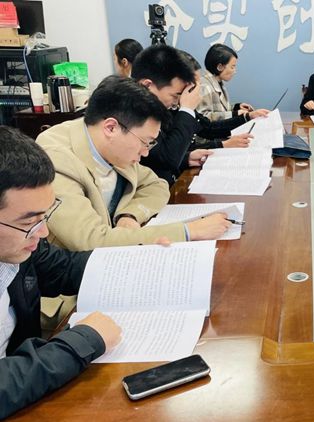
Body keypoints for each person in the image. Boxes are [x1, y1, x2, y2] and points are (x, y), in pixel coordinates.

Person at [0, 127, 121, 418]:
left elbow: (64, 268)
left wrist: (144, 263)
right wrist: (82, 341)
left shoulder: (16, 246)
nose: (43, 232)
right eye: (28, 222)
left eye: (44, 217)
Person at [36, 75, 230, 251]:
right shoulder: (55, 161)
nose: (146, 152)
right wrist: (188, 231)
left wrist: (129, 215)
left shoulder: (111, 146)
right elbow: (92, 241)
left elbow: (156, 184)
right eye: (145, 142)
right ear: (111, 128)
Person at [131, 44, 213, 185]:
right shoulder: (130, 113)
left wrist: (186, 158)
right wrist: (187, 109)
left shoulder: (153, 108)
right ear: (147, 85)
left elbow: (158, 157)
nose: (176, 103)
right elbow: (168, 158)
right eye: (175, 96)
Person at [198, 43, 269, 122]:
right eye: (232, 67)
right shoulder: (204, 86)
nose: (234, 71)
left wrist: (236, 107)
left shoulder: (218, 82)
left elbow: (221, 110)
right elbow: (203, 118)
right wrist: (235, 114)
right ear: (220, 67)